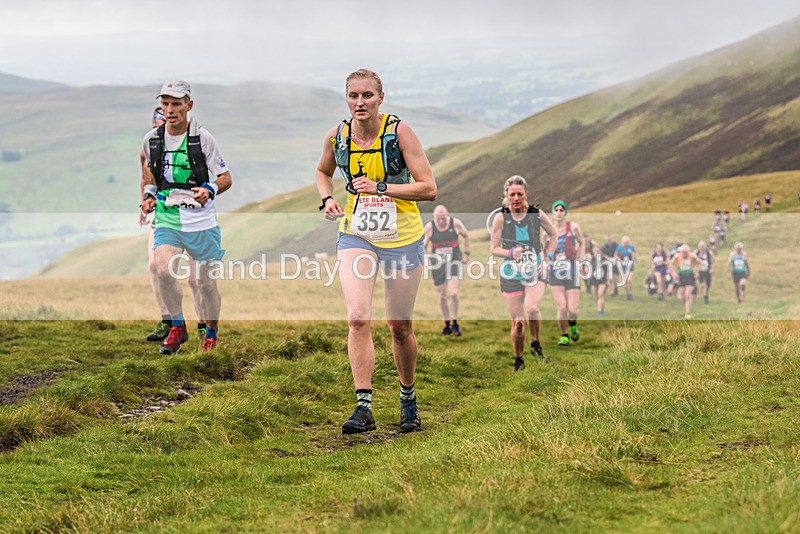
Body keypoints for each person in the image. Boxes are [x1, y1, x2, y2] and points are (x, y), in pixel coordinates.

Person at [316, 69, 436, 434]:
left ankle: (408, 398)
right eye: (353, 96)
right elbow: (323, 171)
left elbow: (429, 188)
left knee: (399, 327)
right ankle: (363, 406)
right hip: (357, 234)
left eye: (367, 95)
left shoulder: (400, 134)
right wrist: (327, 198)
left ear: (381, 98)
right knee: (357, 317)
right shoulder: (338, 136)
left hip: (402, 235)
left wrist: (382, 187)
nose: (360, 102)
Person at [141, 80, 232, 354]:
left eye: (176, 104)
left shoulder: (203, 138)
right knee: (161, 269)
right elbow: (150, 177)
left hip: (201, 221)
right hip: (168, 215)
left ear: (189, 106)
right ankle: (177, 327)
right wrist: (147, 196)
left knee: (204, 284)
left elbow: (225, 178)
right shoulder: (151, 139)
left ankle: (211, 331)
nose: (170, 110)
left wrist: (210, 189)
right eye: (165, 104)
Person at [140, 107, 207, 343]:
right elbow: (146, 178)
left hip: (192, 216)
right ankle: (168, 321)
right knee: (155, 267)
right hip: (163, 214)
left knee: (194, 277)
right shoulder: (148, 149)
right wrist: (144, 204)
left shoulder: (192, 146)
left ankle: (203, 324)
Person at [489, 175, 557, 371]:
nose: (516, 198)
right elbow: (494, 248)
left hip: (536, 269)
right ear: (507, 196)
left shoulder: (536, 214)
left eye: (520, 194)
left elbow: (553, 234)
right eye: (512, 194)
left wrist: (547, 257)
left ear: (526, 194)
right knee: (518, 323)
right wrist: (509, 252)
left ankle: (535, 342)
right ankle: (519, 359)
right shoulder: (501, 217)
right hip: (511, 273)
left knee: (533, 308)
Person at [423, 205, 470, 336]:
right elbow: (423, 246)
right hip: (437, 265)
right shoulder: (430, 227)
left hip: (454, 261)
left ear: (447, 216)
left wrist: (467, 253)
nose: (441, 221)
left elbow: (466, 236)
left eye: (443, 218)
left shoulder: (455, 223)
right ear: (434, 217)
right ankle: (447, 323)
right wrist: (427, 259)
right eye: (438, 219)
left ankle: (454, 322)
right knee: (442, 295)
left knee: (453, 293)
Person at [546, 200, 585, 346]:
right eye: (556, 210)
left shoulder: (573, 227)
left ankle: (573, 323)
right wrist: (546, 262)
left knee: (572, 310)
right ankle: (564, 335)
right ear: (553, 212)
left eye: (562, 210)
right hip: (555, 273)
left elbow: (582, 243)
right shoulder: (547, 231)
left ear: (565, 213)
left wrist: (580, 260)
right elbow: (543, 249)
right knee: (561, 307)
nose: (559, 212)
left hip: (572, 272)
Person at [670, 244, 701, 319]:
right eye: (683, 252)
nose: (684, 254)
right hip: (681, 276)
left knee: (687, 294)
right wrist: (675, 272)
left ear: (688, 251)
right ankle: (688, 305)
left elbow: (699, 262)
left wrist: (696, 272)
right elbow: (671, 263)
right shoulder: (677, 256)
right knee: (683, 296)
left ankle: (688, 313)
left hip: (690, 276)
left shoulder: (692, 255)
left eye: (686, 252)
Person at [615, 236, 637, 300]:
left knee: (629, 280)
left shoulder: (631, 247)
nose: (626, 244)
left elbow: (635, 253)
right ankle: (628, 294)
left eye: (627, 242)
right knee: (625, 281)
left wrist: (634, 257)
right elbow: (615, 255)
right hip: (623, 266)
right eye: (624, 242)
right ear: (622, 242)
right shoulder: (619, 247)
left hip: (630, 266)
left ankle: (630, 292)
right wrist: (618, 258)